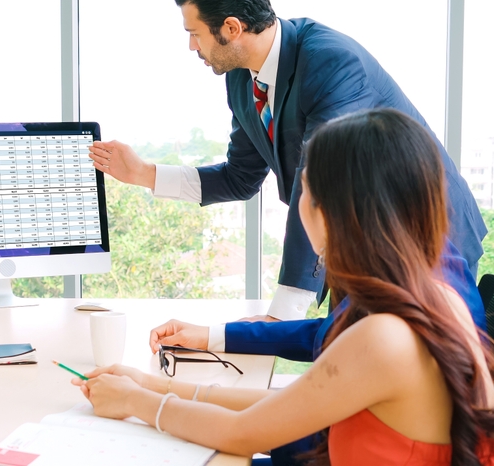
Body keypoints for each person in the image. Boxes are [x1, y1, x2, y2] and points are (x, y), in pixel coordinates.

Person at [74, 108, 494, 464]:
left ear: (338, 213)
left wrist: (136, 403)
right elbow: (291, 403)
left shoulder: (384, 337)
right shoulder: (431, 299)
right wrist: (149, 384)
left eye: (304, 192)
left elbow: (244, 433)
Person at [88, 0, 486, 326]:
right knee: (343, 365)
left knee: (417, 387)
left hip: (425, 238)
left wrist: (284, 310)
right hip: (359, 244)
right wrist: (143, 174)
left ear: (230, 27)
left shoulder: (329, 61)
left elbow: (320, 181)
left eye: (194, 33)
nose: (192, 47)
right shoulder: (242, 80)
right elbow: (239, 178)